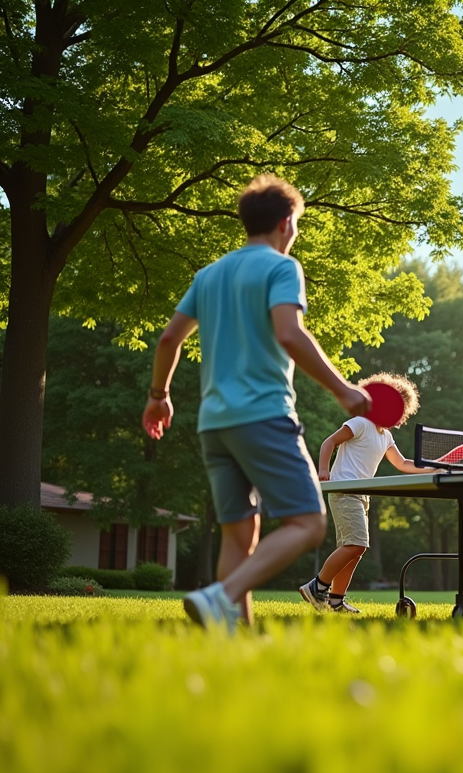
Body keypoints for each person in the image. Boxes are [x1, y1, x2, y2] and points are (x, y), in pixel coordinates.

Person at [142, 174, 371, 632]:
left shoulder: (208, 275)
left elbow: (170, 338)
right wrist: (343, 389)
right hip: (263, 415)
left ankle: (235, 637)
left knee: (239, 532)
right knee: (308, 524)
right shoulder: (281, 267)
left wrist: (159, 397)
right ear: (287, 223)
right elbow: (289, 332)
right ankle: (221, 596)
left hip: (214, 422)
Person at [299, 373, 436, 613]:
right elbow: (328, 442)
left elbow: (403, 463)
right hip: (344, 490)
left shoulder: (386, 436)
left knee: (354, 550)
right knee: (355, 544)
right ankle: (316, 586)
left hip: (361, 495)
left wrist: (433, 466)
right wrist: (323, 470)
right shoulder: (361, 423)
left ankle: (335, 601)